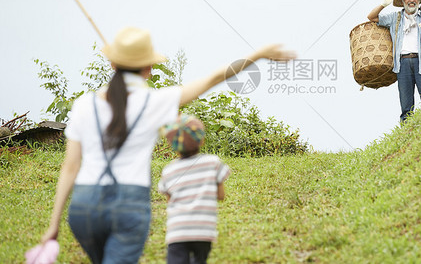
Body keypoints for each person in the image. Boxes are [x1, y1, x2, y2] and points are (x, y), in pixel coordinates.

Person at [39, 26, 296, 264]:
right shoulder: (157, 101)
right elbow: (216, 77)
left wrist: (53, 224)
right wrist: (259, 54)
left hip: (83, 208)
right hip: (129, 205)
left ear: (112, 63)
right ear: (149, 67)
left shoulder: (84, 104)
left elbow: (70, 167)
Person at [158, 114, 229, 264]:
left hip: (178, 231)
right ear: (202, 140)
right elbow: (221, 196)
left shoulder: (168, 170)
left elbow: (170, 201)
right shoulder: (213, 162)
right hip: (203, 230)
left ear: (172, 144)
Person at [367, 0, 421, 121]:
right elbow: (371, 17)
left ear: (419, 1)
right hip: (403, 64)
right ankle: (407, 136)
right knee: (406, 107)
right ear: (403, 1)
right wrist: (383, 4)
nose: (411, 0)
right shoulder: (395, 18)